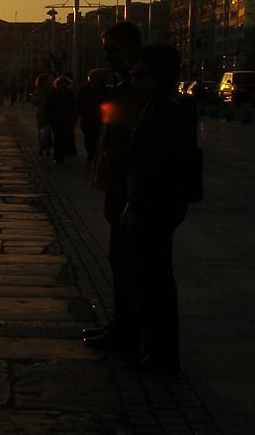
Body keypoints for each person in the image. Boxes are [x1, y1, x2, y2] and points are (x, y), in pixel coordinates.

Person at [121, 44, 193, 374]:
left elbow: (152, 165)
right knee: (154, 278)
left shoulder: (163, 111)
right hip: (162, 204)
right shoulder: (163, 105)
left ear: (159, 76)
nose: (134, 81)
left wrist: (134, 205)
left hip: (154, 206)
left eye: (140, 75)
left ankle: (160, 355)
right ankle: (157, 349)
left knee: (153, 280)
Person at [83, 21, 142, 352]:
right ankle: (124, 325)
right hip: (117, 185)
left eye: (110, 50)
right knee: (119, 261)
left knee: (127, 262)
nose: (107, 57)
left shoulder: (136, 87)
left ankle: (129, 331)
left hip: (126, 188)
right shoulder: (125, 84)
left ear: (129, 48)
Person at [77, 69, 110, 165]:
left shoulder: (104, 90)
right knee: (89, 139)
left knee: (99, 139)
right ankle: (91, 156)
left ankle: (96, 156)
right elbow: (80, 104)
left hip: (100, 119)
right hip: (88, 119)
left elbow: (108, 102)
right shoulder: (84, 90)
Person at [45, 75, 78, 164]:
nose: (63, 86)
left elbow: (74, 106)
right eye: (61, 84)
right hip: (56, 119)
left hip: (67, 119)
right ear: (58, 84)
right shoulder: (53, 93)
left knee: (64, 138)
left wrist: (74, 117)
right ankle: (58, 156)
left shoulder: (70, 94)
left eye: (64, 84)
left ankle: (61, 154)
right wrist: (48, 117)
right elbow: (48, 106)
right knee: (57, 138)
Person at [31, 74, 53, 155]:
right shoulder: (38, 90)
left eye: (47, 80)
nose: (46, 82)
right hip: (41, 113)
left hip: (49, 113)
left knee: (47, 132)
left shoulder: (50, 90)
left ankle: (47, 149)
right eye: (45, 80)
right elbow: (34, 102)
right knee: (41, 132)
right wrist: (39, 98)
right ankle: (41, 149)